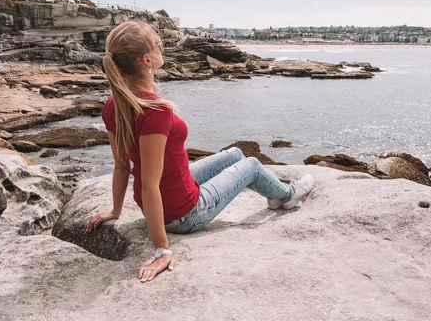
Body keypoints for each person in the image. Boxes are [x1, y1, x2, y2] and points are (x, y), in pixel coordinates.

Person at [86, 21, 314, 283]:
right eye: (157, 43)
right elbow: (149, 184)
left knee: (235, 154)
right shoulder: (155, 111)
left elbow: (121, 166)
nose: (162, 45)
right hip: (185, 214)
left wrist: (116, 211)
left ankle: (272, 196)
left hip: (171, 195)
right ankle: (287, 195)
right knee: (250, 164)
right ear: (147, 59)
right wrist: (162, 250)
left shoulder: (115, 103)